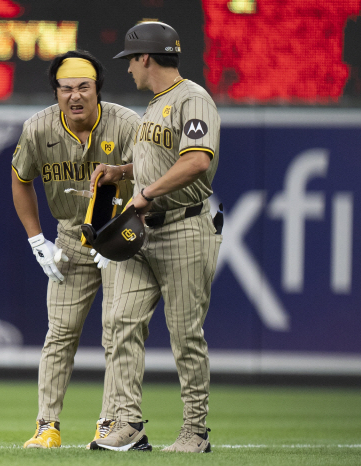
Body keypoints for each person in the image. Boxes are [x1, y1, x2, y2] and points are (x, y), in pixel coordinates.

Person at [88, 22, 222, 453]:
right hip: (141, 231)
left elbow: (197, 161)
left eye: (130, 61)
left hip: (184, 227)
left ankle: (195, 432)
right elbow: (158, 162)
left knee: (185, 336)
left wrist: (142, 193)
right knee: (119, 322)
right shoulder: (155, 105)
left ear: (145, 58)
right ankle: (126, 423)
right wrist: (122, 173)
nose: (128, 70)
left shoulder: (191, 98)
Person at [11, 50, 140, 448]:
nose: (75, 96)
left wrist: (122, 230)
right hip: (70, 237)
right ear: (56, 92)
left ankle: (111, 422)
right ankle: (46, 426)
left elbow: (154, 170)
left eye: (84, 87)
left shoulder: (127, 123)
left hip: (119, 237)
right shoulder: (38, 128)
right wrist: (36, 239)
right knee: (60, 333)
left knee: (117, 332)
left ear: (98, 89)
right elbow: (20, 178)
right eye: (66, 89)